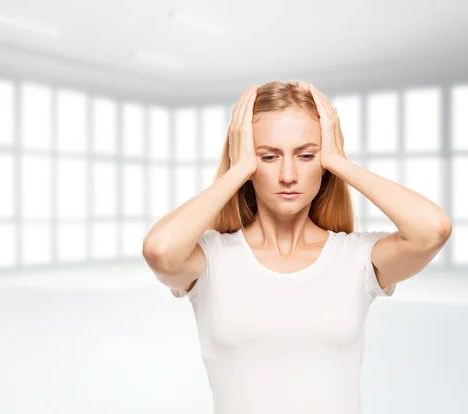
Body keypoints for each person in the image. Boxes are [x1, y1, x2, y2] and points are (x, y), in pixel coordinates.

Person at [142, 80, 452, 414]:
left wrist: (339, 161)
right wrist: (238, 170)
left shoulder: (356, 257)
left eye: (306, 155)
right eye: (268, 156)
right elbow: (160, 250)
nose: (288, 174)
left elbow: (432, 230)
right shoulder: (210, 259)